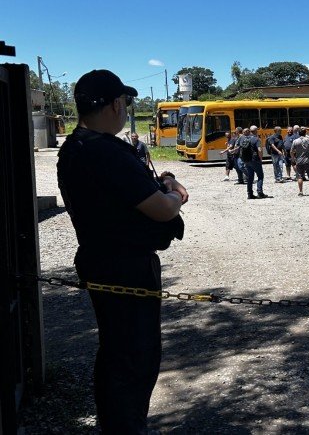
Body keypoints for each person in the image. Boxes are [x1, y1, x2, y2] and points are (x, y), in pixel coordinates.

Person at [57, 69, 188, 433]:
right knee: (135, 359)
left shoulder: (75, 148)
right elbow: (161, 209)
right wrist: (176, 192)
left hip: (100, 259)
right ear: (116, 103)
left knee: (116, 353)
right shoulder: (105, 152)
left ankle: (118, 425)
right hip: (126, 267)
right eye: (126, 103)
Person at [238, 126, 271, 199]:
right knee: (260, 176)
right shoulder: (256, 139)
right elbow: (259, 150)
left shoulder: (244, 138)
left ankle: (250, 194)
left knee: (250, 178)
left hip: (247, 160)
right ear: (256, 131)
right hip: (255, 160)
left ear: (250, 131)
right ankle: (260, 192)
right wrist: (261, 159)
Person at [291, 126, 309, 196]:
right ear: (305, 133)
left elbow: (291, 151)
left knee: (299, 177)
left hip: (299, 161)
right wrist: (307, 128)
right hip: (308, 160)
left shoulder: (295, 141)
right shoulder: (308, 139)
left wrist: (293, 158)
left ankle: (300, 192)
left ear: (298, 134)